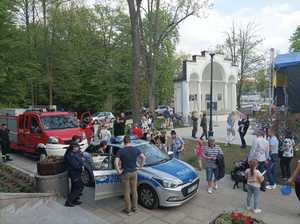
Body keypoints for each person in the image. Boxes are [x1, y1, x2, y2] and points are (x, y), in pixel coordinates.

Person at [115, 135, 146, 215]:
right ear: (130, 141)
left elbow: (115, 162)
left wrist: (118, 170)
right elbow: (143, 157)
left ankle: (128, 210)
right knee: (134, 191)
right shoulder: (135, 149)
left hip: (125, 173)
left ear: (124, 142)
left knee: (126, 192)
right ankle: (135, 208)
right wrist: (141, 166)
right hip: (134, 172)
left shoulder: (121, 151)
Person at [64, 142, 84, 207]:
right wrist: (81, 164)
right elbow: (76, 165)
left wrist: (81, 162)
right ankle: (69, 201)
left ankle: (74, 200)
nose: (78, 148)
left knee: (74, 187)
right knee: (79, 187)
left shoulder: (75, 153)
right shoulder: (70, 155)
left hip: (77, 173)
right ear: (73, 148)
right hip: (74, 173)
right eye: (77, 147)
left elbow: (80, 161)